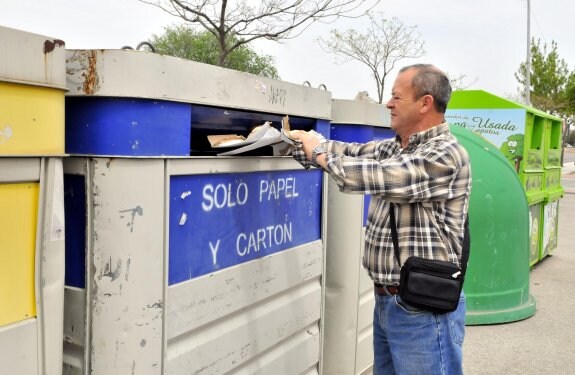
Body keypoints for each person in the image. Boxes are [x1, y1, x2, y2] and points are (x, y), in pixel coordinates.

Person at [290, 64, 471, 375]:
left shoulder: (445, 154)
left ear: (425, 103)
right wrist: (297, 141)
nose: (388, 103)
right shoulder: (393, 147)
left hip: (423, 309)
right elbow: (349, 151)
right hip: (388, 302)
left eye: (396, 97)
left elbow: (376, 176)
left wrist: (318, 152)